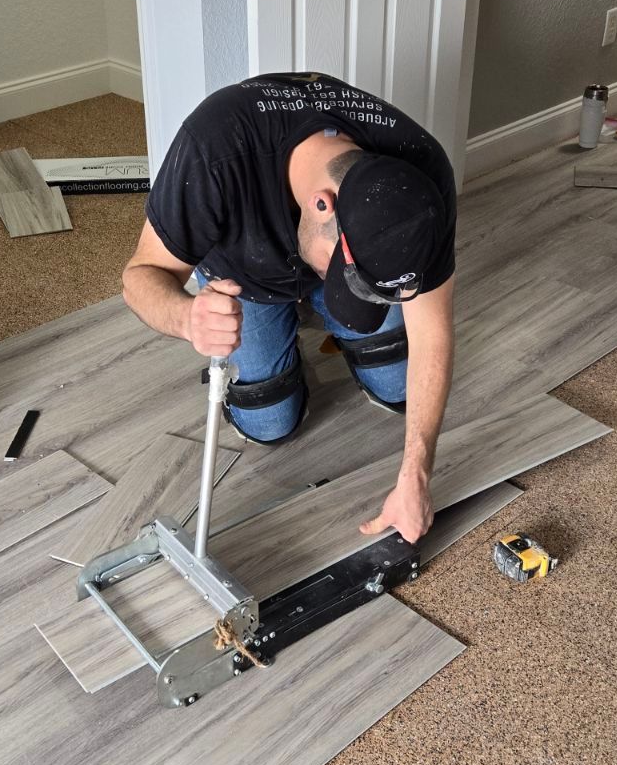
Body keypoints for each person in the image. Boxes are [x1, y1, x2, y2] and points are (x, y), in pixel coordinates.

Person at [122, 72, 456, 543]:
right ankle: (292, 325)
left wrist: (415, 477)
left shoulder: (419, 181)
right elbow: (140, 275)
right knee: (270, 424)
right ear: (322, 204)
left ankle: (329, 313)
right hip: (246, 279)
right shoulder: (215, 149)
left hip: (319, 254)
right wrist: (186, 316)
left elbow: (433, 334)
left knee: (399, 389)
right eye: (341, 277)